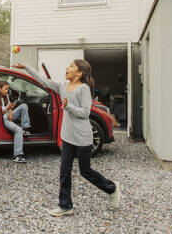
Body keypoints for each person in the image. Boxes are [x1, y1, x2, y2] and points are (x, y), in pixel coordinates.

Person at [12, 60, 120, 216]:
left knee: (86, 171)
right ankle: (65, 205)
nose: (66, 68)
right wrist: (26, 68)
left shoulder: (83, 89)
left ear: (79, 73)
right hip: (67, 137)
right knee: (64, 171)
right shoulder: (62, 85)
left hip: (83, 138)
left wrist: (68, 106)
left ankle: (112, 188)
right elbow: (44, 81)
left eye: (71, 66)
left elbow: (85, 113)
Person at [0, 81, 31, 163]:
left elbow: (10, 106)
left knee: (23, 106)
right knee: (18, 130)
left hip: (8, 115)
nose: (7, 91)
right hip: (3, 119)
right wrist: (7, 109)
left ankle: (25, 128)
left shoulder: (7, 96)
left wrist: (11, 114)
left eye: (7, 89)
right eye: (5, 89)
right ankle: (17, 156)